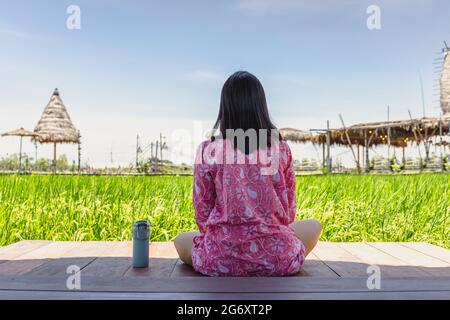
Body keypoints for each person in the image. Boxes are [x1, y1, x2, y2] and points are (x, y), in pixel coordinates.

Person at [175, 71, 322, 276]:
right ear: (261, 107)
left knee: (181, 239)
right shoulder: (281, 149)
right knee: (314, 226)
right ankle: (269, 257)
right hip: (277, 259)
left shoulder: (208, 150)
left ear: (225, 108)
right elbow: (289, 213)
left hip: (220, 259)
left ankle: (230, 257)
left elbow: (202, 215)